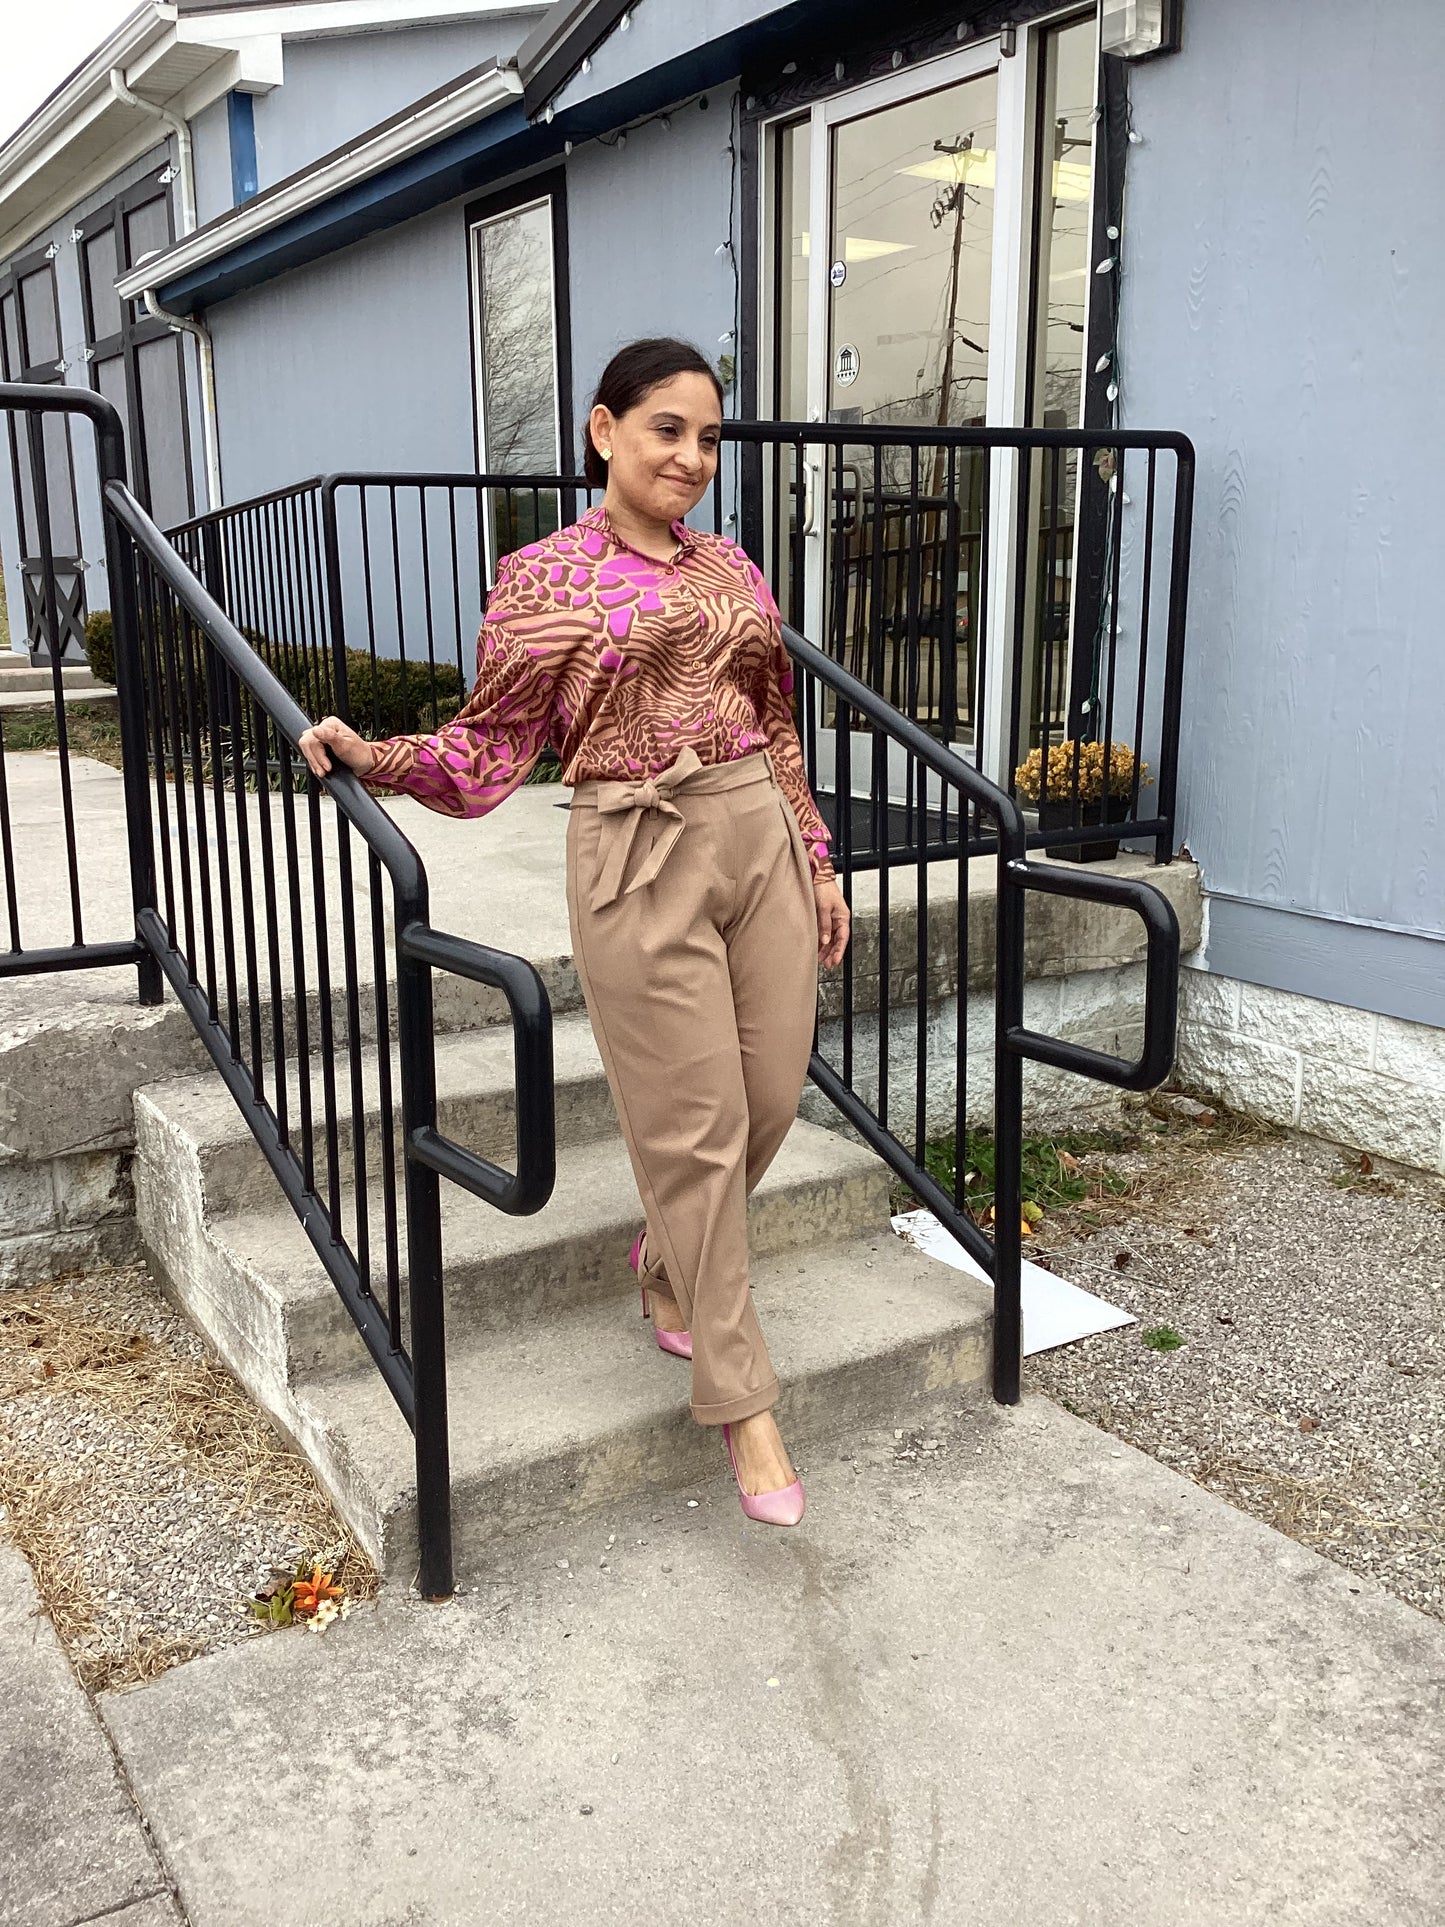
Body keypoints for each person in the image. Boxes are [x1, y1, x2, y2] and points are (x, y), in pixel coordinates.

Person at [299, 336, 850, 1527]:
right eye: (667, 429)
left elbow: (777, 716)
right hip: (634, 849)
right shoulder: (541, 577)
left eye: (708, 437)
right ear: (602, 431)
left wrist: (811, 854)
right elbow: (488, 747)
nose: (692, 457)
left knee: (766, 1101)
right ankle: (744, 1405)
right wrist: (375, 755)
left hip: (755, 827)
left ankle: (663, 1265)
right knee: (696, 1130)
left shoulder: (735, 569)